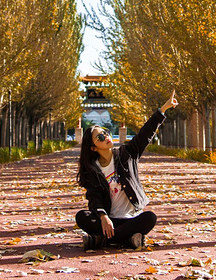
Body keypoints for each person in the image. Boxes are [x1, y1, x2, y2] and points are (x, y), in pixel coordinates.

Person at [75, 91, 179, 250]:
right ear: (93, 147)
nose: (106, 137)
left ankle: (103, 240)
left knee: (150, 217)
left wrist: (163, 109)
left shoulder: (127, 154)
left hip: (132, 218)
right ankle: (128, 238)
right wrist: (103, 217)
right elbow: (93, 197)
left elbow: (145, 134)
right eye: (100, 137)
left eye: (105, 133)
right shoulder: (93, 169)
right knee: (82, 217)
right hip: (110, 220)